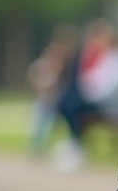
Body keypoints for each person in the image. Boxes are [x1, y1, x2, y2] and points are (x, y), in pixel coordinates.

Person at [53, 21, 118, 170]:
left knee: (73, 106)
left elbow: (111, 88)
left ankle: (76, 146)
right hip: (106, 102)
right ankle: (75, 145)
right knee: (69, 104)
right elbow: (93, 80)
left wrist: (88, 94)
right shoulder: (110, 57)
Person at [27, 23, 80, 155]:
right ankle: (38, 144)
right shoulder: (54, 54)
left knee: (44, 109)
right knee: (43, 108)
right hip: (51, 97)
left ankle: (39, 144)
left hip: (62, 96)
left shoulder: (72, 58)